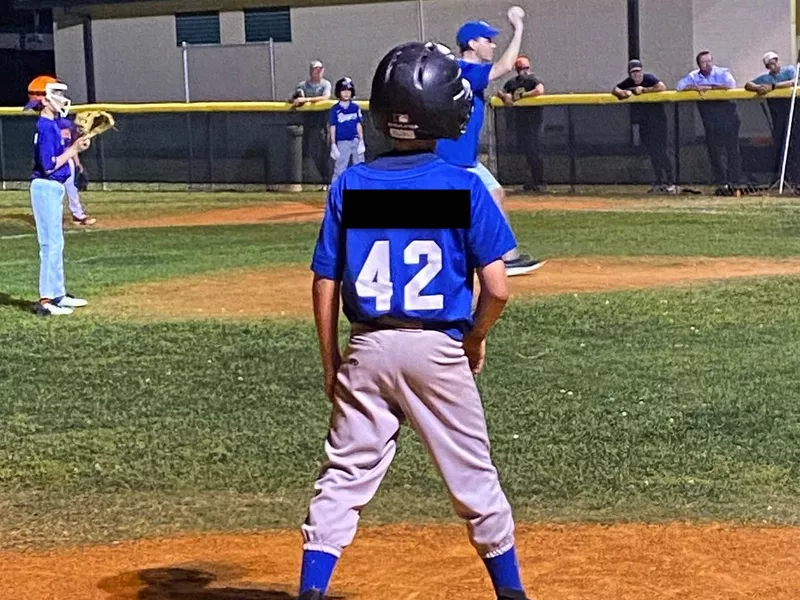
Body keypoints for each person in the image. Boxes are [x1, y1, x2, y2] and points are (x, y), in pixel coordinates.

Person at [298, 41, 533, 600]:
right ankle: (513, 594)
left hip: (369, 348)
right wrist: (473, 338)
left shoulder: (351, 186)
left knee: (343, 478)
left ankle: (311, 591)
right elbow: (498, 289)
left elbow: (324, 281)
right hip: (436, 350)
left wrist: (333, 362)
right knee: (473, 479)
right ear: (449, 114)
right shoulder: (462, 185)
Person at [435, 8, 544, 277]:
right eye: (487, 40)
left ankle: (508, 258)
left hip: (465, 156)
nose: (493, 44)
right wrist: (518, 28)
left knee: (495, 195)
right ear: (472, 44)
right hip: (452, 156)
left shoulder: (469, 70)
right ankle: (461, 259)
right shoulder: (463, 69)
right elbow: (506, 67)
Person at [24, 75, 91, 316]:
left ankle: (58, 294)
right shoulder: (44, 126)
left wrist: (76, 146)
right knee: (49, 244)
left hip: (53, 187)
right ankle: (45, 300)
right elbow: (49, 164)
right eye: (58, 94)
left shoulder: (52, 125)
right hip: (45, 186)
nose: (62, 99)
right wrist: (73, 149)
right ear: (43, 99)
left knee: (57, 243)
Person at [676, 50, 742, 194]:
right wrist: (696, 87)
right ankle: (722, 182)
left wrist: (710, 88)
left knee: (732, 150)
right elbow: (680, 86)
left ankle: (735, 182)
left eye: (709, 61)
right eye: (703, 62)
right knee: (715, 152)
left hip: (728, 116)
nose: (707, 64)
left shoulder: (722, 72)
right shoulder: (694, 76)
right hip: (710, 120)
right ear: (698, 64)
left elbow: (730, 84)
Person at [612, 59, 676, 194]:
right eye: (633, 73)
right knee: (652, 152)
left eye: (638, 72)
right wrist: (623, 93)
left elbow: (662, 87)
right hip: (644, 123)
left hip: (658, 122)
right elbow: (616, 89)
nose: (637, 75)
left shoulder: (649, 78)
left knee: (661, 151)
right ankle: (659, 182)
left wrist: (645, 90)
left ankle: (671, 181)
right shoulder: (629, 82)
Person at [745, 51, 800, 188]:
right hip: (778, 116)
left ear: (778, 60)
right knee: (781, 144)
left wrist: (774, 87)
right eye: (769, 65)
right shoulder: (766, 78)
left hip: (794, 112)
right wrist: (759, 87)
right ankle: (784, 176)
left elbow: (795, 81)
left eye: (774, 63)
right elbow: (748, 84)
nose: (772, 67)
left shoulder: (790, 70)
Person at [497, 55, 546, 193]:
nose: (524, 71)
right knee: (525, 151)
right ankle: (530, 180)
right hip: (520, 121)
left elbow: (540, 90)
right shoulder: (513, 83)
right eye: (521, 69)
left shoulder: (532, 80)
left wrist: (522, 96)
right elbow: (501, 92)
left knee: (535, 151)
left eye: (526, 68)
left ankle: (539, 181)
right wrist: (505, 96)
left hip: (534, 122)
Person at [290, 60, 333, 189]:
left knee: (323, 151)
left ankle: (327, 181)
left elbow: (326, 98)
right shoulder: (303, 85)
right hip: (306, 122)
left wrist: (307, 99)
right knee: (304, 151)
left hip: (321, 122)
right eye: (316, 70)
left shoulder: (325, 84)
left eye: (320, 69)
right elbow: (293, 98)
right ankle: (301, 181)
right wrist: (297, 99)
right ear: (311, 71)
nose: (318, 72)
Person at [57, 115, 96, 225]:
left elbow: (71, 147)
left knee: (72, 189)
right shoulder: (47, 124)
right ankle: (52, 216)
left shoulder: (68, 125)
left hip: (67, 159)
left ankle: (78, 215)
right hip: (53, 160)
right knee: (54, 190)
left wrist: (77, 163)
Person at [328, 77, 366, 183]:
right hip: (342, 142)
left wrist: (361, 141)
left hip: (355, 140)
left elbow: (358, 124)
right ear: (338, 92)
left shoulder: (355, 108)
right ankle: (335, 191)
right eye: (343, 90)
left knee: (360, 168)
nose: (346, 93)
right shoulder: (335, 109)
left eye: (348, 90)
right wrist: (333, 144)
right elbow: (333, 127)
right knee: (340, 168)